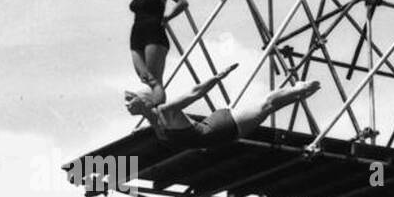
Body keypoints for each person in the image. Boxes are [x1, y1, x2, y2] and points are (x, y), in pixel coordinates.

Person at [125, 66, 321, 151]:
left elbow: (195, 92)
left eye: (129, 99)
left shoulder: (166, 111)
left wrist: (217, 77)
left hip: (223, 127)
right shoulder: (153, 122)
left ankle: (300, 88)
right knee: (268, 108)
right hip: (218, 136)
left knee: (267, 103)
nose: (126, 105)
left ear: (143, 100)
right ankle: (299, 95)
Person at [128, 0, 188, 107]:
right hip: (137, 35)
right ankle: (155, 110)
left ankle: (161, 115)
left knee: (155, 80)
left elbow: (182, 2)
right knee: (144, 77)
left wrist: (167, 17)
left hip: (154, 34)